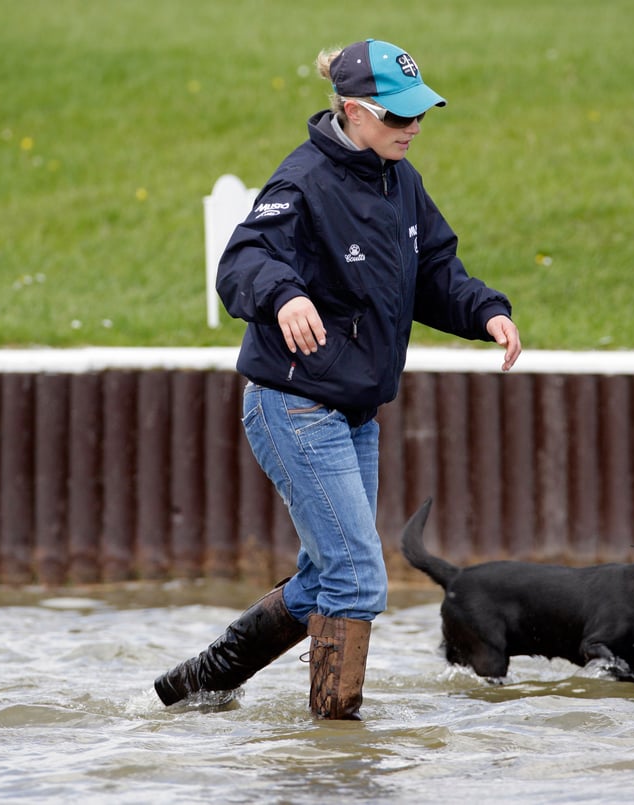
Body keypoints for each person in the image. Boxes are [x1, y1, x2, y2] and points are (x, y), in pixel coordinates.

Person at [153, 38, 521, 719]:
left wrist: (487, 311)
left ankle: (199, 683)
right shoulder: (302, 182)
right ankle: (335, 751)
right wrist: (284, 295)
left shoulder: (399, 178)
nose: (412, 128)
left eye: (419, 115)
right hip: (293, 405)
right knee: (357, 580)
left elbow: (437, 270)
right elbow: (242, 262)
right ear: (352, 111)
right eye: (396, 116)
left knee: (327, 575)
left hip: (351, 410)